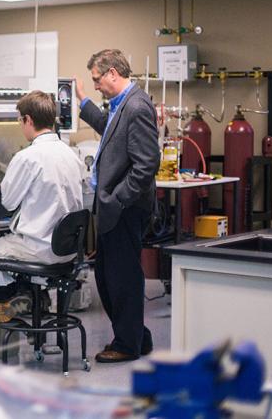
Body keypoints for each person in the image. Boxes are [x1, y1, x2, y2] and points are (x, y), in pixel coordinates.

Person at [0, 90, 83, 324]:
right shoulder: (70, 154)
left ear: (28, 120)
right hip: (67, 251)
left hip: (37, 248)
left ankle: (20, 296)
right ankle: (33, 294)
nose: (20, 125)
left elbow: (7, 202)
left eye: (19, 120)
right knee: (1, 256)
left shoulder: (28, 157)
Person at [74, 49, 160, 363]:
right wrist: (83, 102)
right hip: (114, 207)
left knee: (121, 279)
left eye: (97, 79)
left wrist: (118, 198)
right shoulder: (122, 104)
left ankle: (127, 344)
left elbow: (147, 163)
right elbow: (110, 132)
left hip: (125, 208)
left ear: (112, 72)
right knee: (109, 277)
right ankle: (138, 337)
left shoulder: (136, 106)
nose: (96, 85)